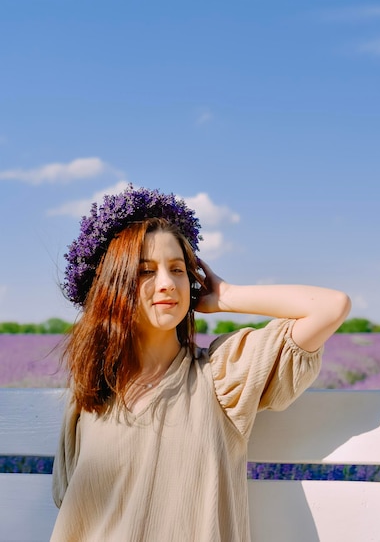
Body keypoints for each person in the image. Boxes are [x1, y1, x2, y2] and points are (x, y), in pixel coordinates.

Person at [51, 184, 351, 542]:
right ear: (114, 286)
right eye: (146, 271)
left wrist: (228, 296)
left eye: (178, 270)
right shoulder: (90, 397)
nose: (167, 284)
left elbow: (331, 307)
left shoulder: (222, 377)